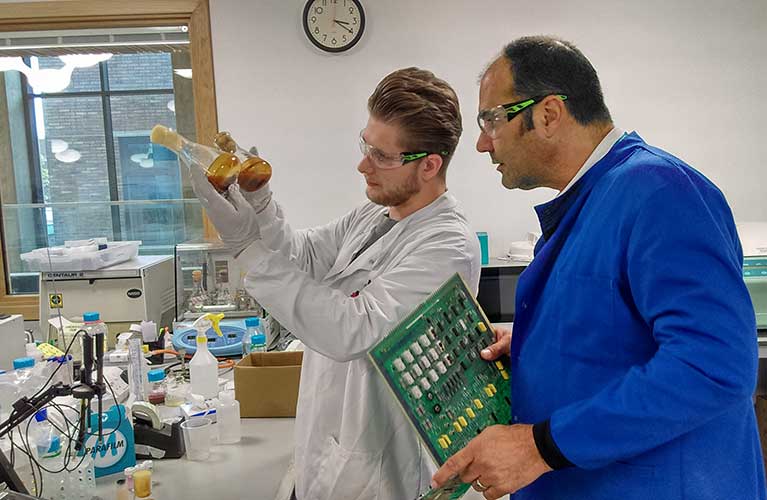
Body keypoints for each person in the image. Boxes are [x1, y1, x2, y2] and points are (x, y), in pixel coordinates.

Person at [431, 36, 766, 500]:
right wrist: (535, 348)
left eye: (492, 119)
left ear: (548, 114)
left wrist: (539, 447)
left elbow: (713, 366)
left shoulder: (659, 192)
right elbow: (619, 328)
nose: (482, 143)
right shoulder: (595, 198)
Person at [189, 67, 481, 500]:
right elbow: (304, 257)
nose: (363, 164)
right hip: (323, 444)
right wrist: (261, 205)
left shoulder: (448, 244)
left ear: (429, 165)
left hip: (380, 467)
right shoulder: (374, 213)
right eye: (366, 144)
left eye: (381, 156)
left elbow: (355, 329)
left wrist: (248, 249)